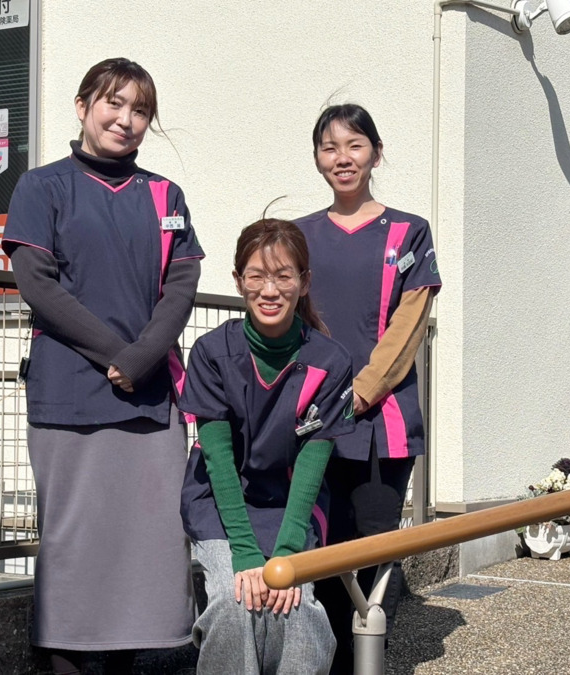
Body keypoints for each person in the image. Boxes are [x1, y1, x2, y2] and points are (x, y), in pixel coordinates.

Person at [1, 58, 203, 675]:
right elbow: (38, 284)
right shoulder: (43, 186)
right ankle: (63, 660)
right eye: (114, 104)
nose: (126, 119)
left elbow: (182, 281)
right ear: (83, 105)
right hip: (69, 394)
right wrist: (117, 356)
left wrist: (141, 359)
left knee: (147, 542)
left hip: (149, 399)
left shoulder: (166, 195)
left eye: (140, 110)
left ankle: (128, 657)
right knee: (73, 539)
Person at [295, 103, 442, 673]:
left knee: (375, 550)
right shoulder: (300, 236)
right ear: (317, 160)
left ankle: (370, 659)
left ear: (375, 154)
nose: (342, 158)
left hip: (382, 422)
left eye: (354, 145)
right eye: (329, 148)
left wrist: (359, 393)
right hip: (313, 421)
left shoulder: (409, 231)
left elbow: (408, 327)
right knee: (322, 549)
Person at [179, 219, 356, 675]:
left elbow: (314, 465)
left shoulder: (330, 361)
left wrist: (286, 553)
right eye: (256, 276)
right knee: (234, 602)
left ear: (304, 282)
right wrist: (244, 552)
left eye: (283, 276)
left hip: (292, 508)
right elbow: (217, 460)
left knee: (293, 606)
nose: (269, 290)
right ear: (238, 281)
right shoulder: (212, 353)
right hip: (221, 506)